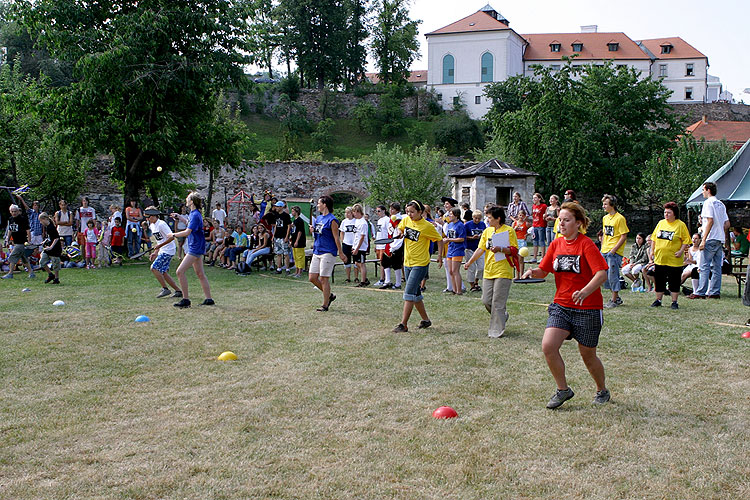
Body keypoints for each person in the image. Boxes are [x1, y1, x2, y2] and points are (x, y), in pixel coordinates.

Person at [522, 202, 610, 409]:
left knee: (588, 356)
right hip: (561, 305)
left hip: (588, 307)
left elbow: (601, 274)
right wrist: (532, 272)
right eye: (560, 220)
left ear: (578, 223)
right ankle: (563, 390)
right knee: (548, 346)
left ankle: (601, 389)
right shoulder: (556, 244)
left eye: (567, 220)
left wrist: (585, 291)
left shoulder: (586, 244)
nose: (561, 224)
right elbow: (544, 271)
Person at [464, 205, 517, 338]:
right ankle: (502, 316)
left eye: (489, 218)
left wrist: (501, 249)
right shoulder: (487, 232)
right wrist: (469, 262)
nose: (487, 220)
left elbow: (514, 250)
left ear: (498, 219)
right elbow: (480, 249)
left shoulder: (509, 231)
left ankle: (496, 330)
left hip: (503, 270)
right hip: (489, 270)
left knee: (498, 302)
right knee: (486, 300)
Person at [391, 200, 443, 333]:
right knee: (416, 293)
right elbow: (401, 228)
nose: (409, 214)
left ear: (420, 212)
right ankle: (426, 320)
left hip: (420, 264)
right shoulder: (406, 221)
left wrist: (439, 256)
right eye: (407, 211)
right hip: (407, 262)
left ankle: (403, 324)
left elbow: (439, 239)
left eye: (412, 212)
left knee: (408, 293)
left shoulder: (427, 226)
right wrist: (400, 233)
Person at [164, 192, 214, 308]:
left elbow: (187, 232)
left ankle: (185, 300)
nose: (186, 200)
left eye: (188, 198)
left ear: (192, 201)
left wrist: (173, 235)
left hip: (195, 247)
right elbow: (189, 224)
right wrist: (180, 217)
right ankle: (209, 299)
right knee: (200, 273)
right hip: (196, 246)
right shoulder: (193, 214)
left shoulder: (196, 214)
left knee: (179, 271)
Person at [692, 182, 729, 299]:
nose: (702, 192)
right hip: (720, 238)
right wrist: (721, 232)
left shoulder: (708, 203)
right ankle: (714, 292)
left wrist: (704, 239)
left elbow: (710, 221)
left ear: (708, 190)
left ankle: (700, 292)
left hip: (710, 238)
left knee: (704, 266)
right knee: (717, 267)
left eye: (703, 190)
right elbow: (727, 224)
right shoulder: (721, 204)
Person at [650, 202, 691, 309]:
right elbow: (654, 238)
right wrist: (652, 251)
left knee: (674, 280)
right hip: (660, 258)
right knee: (659, 280)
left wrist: (681, 251)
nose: (666, 215)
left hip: (674, 259)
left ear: (674, 214)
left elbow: (686, 240)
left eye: (669, 212)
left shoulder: (680, 225)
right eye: (665, 212)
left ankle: (674, 301)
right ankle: (658, 299)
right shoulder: (661, 223)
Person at [309, 195, 346, 311]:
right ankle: (329, 295)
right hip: (317, 250)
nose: (318, 205)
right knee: (312, 278)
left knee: (324, 278)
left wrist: (341, 252)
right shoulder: (319, 218)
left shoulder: (332, 220)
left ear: (325, 205)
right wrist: (313, 231)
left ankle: (325, 305)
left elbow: (336, 238)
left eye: (319, 203)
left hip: (328, 251)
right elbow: (319, 234)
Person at [141, 207, 183, 298]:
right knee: (163, 272)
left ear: (153, 216)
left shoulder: (161, 224)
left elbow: (171, 237)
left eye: (148, 217)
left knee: (154, 268)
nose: (147, 219)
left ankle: (165, 289)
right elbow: (159, 241)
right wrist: (156, 252)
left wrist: (159, 246)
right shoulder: (152, 226)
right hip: (163, 250)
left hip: (168, 250)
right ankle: (178, 291)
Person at [600, 194, 629, 308]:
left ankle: (614, 299)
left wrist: (614, 250)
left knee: (613, 275)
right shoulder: (605, 218)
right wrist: (602, 248)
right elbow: (604, 234)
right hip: (605, 250)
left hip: (614, 252)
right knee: (604, 276)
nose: (604, 206)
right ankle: (616, 297)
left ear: (612, 205)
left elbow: (623, 235)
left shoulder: (620, 218)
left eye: (606, 204)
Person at [2, 204, 34, 279]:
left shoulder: (23, 219)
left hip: (21, 242)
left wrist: (29, 240)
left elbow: (28, 230)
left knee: (12, 257)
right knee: (24, 259)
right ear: (10, 212)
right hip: (15, 242)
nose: (14, 213)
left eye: (15, 211)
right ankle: (31, 273)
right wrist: (7, 240)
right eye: (12, 211)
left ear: (18, 211)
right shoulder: (10, 219)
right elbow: (10, 230)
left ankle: (10, 274)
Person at [443, 207, 466, 294]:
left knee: (455, 271)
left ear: (456, 215)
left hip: (458, 250)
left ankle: (459, 290)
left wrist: (449, 240)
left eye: (451, 214)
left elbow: (461, 239)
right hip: (450, 249)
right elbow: (449, 236)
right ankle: (454, 289)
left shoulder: (460, 225)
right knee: (450, 271)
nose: (449, 216)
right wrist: (447, 240)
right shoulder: (450, 225)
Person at [463, 209, 486, 292]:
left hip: (480, 248)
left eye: (479, 218)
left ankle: (476, 281)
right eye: (475, 218)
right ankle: (472, 285)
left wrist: (480, 236)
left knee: (481, 267)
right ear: (472, 217)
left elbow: (485, 234)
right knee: (471, 268)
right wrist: (471, 238)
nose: (477, 220)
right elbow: (463, 236)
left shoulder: (482, 224)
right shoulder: (467, 225)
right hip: (470, 248)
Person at [38, 212, 62, 284]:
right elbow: (50, 237)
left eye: (41, 220)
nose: (40, 222)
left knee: (55, 263)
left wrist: (51, 247)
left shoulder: (51, 227)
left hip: (55, 249)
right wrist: (44, 242)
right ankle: (50, 274)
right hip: (48, 248)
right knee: (42, 262)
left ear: (44, 219)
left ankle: (56, 279)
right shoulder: (47, 227)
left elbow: (56, 238)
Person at [352, 204, 370, 287]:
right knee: (356, 263)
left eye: (355, 212)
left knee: (361, 263)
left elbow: (362, 237)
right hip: (355, 245)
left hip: (361, 246)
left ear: (359, 212)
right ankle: (365, 278)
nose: (354, 214)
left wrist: (357, 248)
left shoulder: (363, 223)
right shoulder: (357, 221)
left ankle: (363, 281)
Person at [339, 206, 357, 283]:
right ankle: (348, 277)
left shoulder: (356, 221)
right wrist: (343, 241)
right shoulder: (344, 222)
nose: (347, 214)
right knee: (346, 261)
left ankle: (356, 277)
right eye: (346, 213)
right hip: (346, 243)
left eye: (348, 212)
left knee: (356, 261)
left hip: (354, 243)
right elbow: (342, 232)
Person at [530, 193, 548, 263]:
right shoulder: (533, 206)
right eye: (533, 198)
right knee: (535, 241)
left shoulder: (543, 206)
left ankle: (543, 257)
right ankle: (534, 257)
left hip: (541, 225)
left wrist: (545, 216)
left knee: (541, 241)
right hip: (535, 225)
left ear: (539, 199)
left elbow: (546, 213)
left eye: (535, 198)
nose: (534, 199)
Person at [512, 209, 530, 277]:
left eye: (522, 215)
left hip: (522, 241)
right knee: (516, 259)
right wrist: (515, 228)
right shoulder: (515, 223)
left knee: (521, 259)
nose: (521, 217)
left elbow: (531, 229)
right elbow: (510, 231)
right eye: (520, 215)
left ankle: (522, 275)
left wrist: (527, 235)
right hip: (516, 241)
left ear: (524, 216)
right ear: (518, 215)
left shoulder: (526, 223)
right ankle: (517, 275)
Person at [290, 206, 306, 278]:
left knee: (300, 256)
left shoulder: (300, 220)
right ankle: (296, 270)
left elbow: (300, 231)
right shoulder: (295, 220)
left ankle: (300, 271)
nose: (292, 212)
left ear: (296, 212)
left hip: (299, 241)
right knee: (295, 256)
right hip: (294, 240)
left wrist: (297, 241)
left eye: (293, 211)